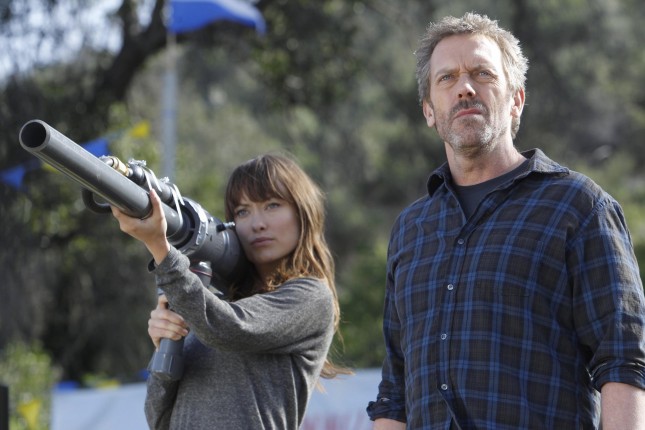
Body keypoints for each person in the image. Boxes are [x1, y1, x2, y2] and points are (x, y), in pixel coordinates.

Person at [367, 12, 645, 429]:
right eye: (447, 78)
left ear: (516, 100)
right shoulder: (410, 229)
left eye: (482, 74)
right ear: (429, 110)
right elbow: (394, 392)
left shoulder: (579, 207)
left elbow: (623, 358)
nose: (465, 88)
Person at [111, 153, 348, 429]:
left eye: (272, 205)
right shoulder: (206, 310)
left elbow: (230, 328)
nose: (257, 223)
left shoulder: (311, 296)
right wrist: (166, 343)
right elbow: (159, 419)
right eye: (243, 211)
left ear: (304, 213)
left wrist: (160, 248)